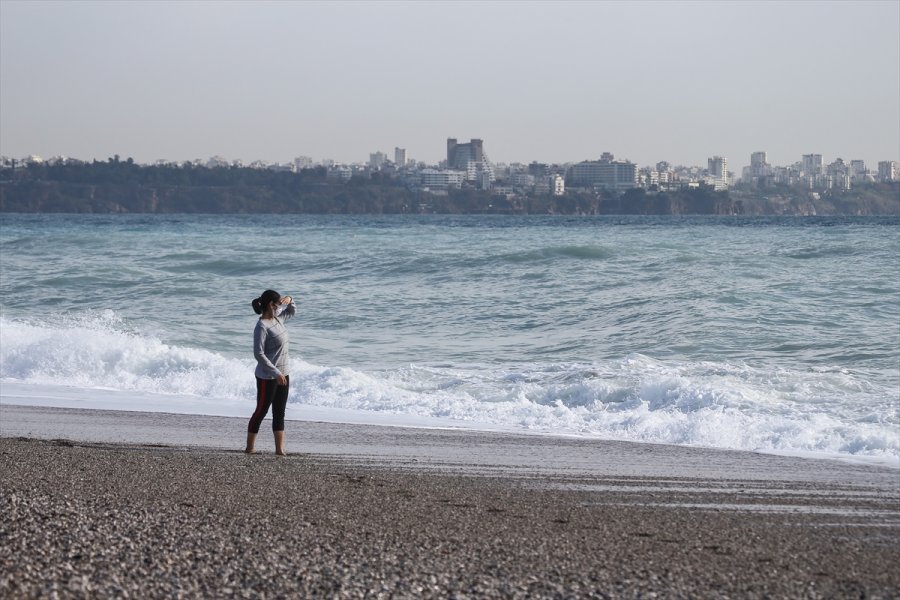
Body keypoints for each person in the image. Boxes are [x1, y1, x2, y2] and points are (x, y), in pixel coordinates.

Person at [246, 289, 296, 455]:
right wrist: (275, 373)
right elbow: (258, 354)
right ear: (270, 305)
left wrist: (289, 298)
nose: (279, 307)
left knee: (279, 412)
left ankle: (279, 450)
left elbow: (292, 310)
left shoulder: (278, 318)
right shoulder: (262, 326)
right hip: (267, 376)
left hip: (284, 373)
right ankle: (250, 448)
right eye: (277, 304)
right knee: (261, 410)